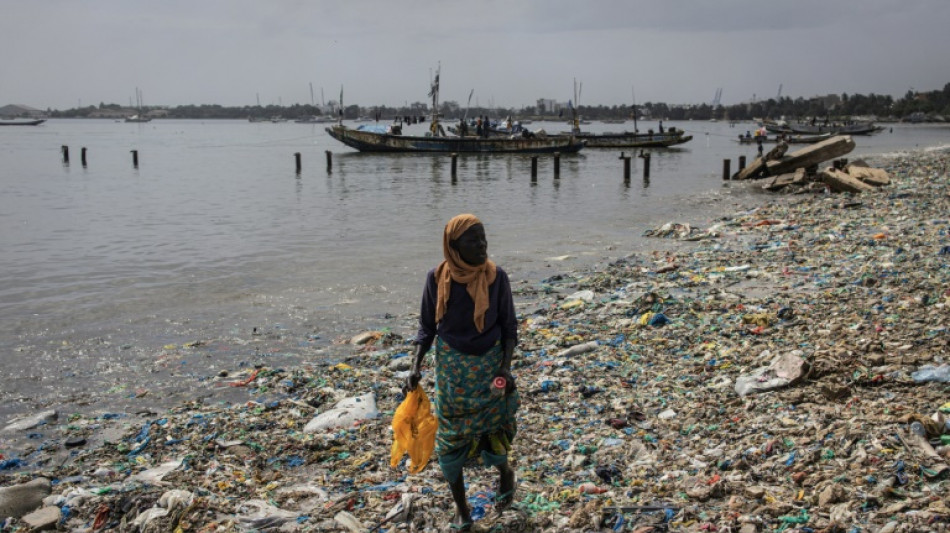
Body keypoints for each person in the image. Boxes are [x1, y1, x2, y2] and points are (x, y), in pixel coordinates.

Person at [406, 214, 519, 531]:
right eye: (473, 241)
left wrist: (505, 367)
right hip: (452, 373)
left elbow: (509, 328)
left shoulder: (497, 278)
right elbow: (426, 328)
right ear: (453, 247)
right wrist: (414, 367)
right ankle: (462, 509)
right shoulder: (436, 278)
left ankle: (505, 473)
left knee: (493, 430)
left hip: (489, 369)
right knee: (450, 440)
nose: (482, 246)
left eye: (484, 238)